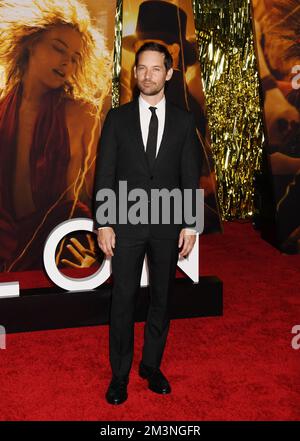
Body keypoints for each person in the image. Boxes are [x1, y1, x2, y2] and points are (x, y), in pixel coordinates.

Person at [93, 42, 202, 405]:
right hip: (126, 222)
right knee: (122, 298)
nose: (147, 75)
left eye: (156, 69)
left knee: (163, 297)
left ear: (169, 74)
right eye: (141, 68)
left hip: (169, 223)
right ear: (134, 72)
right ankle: (120, 374)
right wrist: (104, 222)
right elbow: (104, 172)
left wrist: (190, 224)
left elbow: (190, 174)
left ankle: (151, 366)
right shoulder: (117, 118)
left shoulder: (185, 121)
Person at [0, 0, 111, 271]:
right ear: (29, 42)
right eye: (58, 48)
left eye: (74, 58)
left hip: (64, 241)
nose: (66, 63)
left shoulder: (81, 115)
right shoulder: (2, 111)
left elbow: (92, 196)